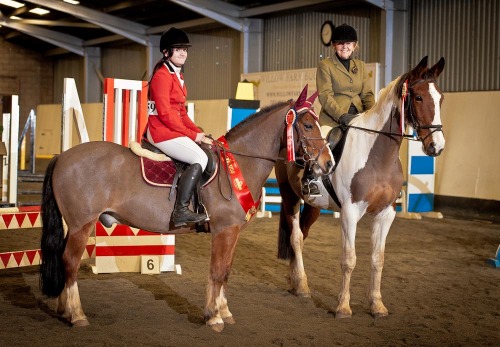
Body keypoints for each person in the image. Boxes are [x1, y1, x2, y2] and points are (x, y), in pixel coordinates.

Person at [146, 27, 209, 227]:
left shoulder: (178, 77)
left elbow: (182, 113)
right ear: (166, 52)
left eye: (185, 49)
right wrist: (192, 135)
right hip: (160, 131)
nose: (183, 53)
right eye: (178, 49)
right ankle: (181, 210)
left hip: (171, 128)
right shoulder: (162, 76)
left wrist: (199, 133)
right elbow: (165, 114)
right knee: (200, 157)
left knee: (205, 148)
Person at [302, 23, 375, 196]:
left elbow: (367, 95)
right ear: (334, 45)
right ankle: (310, 178)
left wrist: (372, 115)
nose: (345, 46)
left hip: (359, 116)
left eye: (348, 43)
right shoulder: (325, 65)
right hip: (333, 118)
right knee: (328, 141)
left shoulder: (361, 66)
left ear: (354, 45)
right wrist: (341, 115)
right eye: (341, 43)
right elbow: (325, 96)